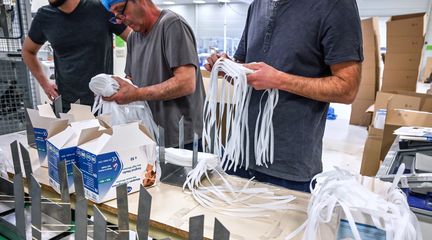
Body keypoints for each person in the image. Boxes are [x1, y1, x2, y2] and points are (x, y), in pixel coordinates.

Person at [205, 0, 363, 192]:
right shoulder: (257, 5)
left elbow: (347, 88)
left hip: (289, 166)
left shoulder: (335, 5)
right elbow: (247, 72)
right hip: (238, 156)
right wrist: (228, 68)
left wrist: (279, 80)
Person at [100, 0, 205, 149]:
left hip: (182, 140)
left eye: (121, 11)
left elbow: (186, 83)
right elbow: (133, 80)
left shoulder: (172, 25)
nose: (120, 20)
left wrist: (136, 94)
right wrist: (114, 88)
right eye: (115, 16)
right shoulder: (133, 39)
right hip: (150, 137)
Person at [22, 0, 131, 112]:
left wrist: (130, 76)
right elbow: (28, 51)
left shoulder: (102, 8)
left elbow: (133, 39)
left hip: (102, 102)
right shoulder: (45, 16)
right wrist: (45, 84)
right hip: (66, 106)